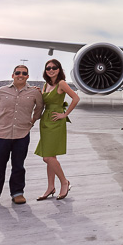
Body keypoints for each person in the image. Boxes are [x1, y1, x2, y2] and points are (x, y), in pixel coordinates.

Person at [0, 65, 44, 209]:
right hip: (2, 135)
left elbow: (39, 109)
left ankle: (17, 193)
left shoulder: (34, 93)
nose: (20, 75)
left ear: (28, 76)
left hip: (22, 135)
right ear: (13, 75)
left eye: (24, 73)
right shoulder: (1, 91)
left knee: (18, 166)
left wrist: (31, 123)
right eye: (18, 73)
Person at [34, 59, 80, 201]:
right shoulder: (45, 85)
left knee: (47, 157)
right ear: (45, 70)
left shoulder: (62, 83)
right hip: (45, 122)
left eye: (54, 67)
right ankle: (50, 187)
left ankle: (64, 182)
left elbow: (76, 98)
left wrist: (64, 114)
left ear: (59, 69)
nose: (51, 70)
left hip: (56, 121)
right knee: (51, 158)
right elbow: (42, 102)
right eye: (48, 68)